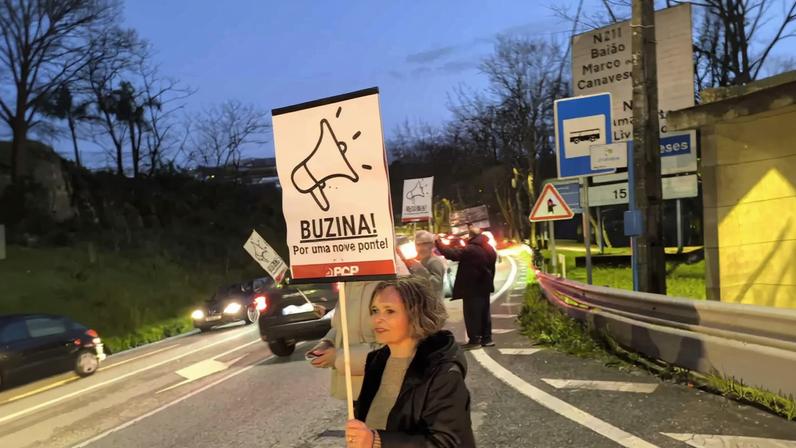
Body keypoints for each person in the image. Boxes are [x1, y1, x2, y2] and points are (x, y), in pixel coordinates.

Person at [345, 277, 475, 448]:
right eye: (374, 310)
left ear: (416, 315)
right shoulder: (376, 361)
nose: (377, 319)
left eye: (389, 311)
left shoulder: (442, 372)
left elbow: (448, 442)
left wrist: (377, 441)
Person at [307, 255, 410, 400]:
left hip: (386, 392)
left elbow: (398, 348)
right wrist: (327, 343)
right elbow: (339, 324)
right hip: (357, 393)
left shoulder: (393, 279)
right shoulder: (349, 281)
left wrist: (339, 357)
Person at [435, 223, 497, 349]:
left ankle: (475, 340)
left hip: (471, 288)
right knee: (484, 313)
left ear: (471, 236)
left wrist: (438, 242)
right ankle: (487, 338)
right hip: (485, 286)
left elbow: (451, 254)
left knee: (472, 314)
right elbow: (492, 265)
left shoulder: (470, 249)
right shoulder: (489, 248)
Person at [402, 230, 446, 302]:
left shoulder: (434, 261)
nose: (421, 247)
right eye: (418, 244)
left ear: (431, 245)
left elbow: (436, 284)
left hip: (434, 304)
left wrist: (421, 270)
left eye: (424, 244)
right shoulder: (422, 261)